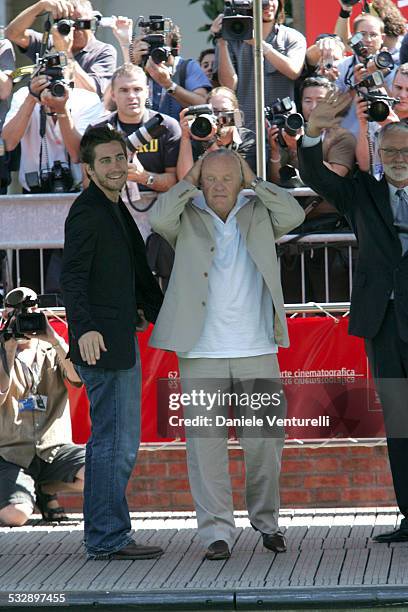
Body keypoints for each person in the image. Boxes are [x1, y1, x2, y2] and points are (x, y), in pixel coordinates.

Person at [149, 149, 305, 559]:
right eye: (211, 178)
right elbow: (157, 218)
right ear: (201, 179)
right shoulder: (186, 213)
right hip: (201, 351)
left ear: (240, 180)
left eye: (227, 178)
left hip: (256, 346)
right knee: (206, 447)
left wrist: (255, 181)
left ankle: (267, 522)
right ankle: (216, 532)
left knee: (265, 444)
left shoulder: (257, 211)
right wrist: (189, 179)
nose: (219, 186)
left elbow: (294, 215)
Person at [298, 93, 408, 544]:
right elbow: (315, 174)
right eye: (392, 151)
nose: (399, 158)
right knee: (401, 425)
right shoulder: (362, 191)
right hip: (383, 322)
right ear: (379, 154)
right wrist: (311, 132)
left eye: (406, 151)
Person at [60, 125, 164, 560]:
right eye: (105, 161)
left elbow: (128, 270)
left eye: (120, 158)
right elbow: (73, 277)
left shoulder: (114, 207)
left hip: (116, 336)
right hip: (99, 344)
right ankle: (107, 537)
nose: (116, 166)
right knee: (113, 443)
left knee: (118, 442)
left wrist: (144, 309)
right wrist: (84, 329)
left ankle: (109, 534)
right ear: (88, 169)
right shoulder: (87, 211)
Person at [1, 63, 103, 294]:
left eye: (60, 77)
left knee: (78, 280)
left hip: (78, 198)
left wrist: (62, 110)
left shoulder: (86, 100)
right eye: (47, 78)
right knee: (30, 285)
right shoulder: (23, 97)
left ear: (73, 79)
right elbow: (8, 143)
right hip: (34, 201)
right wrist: (31, 98)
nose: (54, 84)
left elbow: (79, 153)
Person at [0, 287, 85, 526]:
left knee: (101, 474)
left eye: (29, 311)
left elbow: (78, 379)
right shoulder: (1, 348)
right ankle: (24, 495)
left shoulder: (53, 348)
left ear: (38, 311)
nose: (23, 319)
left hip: (53, 449)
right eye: (16, 313)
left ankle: (43, 487)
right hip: (11, 453)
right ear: (6, 314)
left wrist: (55, 339)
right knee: (15, 516)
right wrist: (8, 349)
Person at [94, 63, 181, 242]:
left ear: (147, 91)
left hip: (160, 223)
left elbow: (176, 182)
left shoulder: (167, 126)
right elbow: (89, 185)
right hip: (114, 221)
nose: (132, 96)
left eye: (137, 89)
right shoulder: (98, 131)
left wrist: (144, 177)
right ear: (113, 94)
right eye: (124, 90)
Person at [211, 0, 306, 132]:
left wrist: (260, 44)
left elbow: (294, 71)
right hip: (244, 130)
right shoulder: (232, 38)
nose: (268, 4)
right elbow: (228, 86)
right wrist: (221, 40)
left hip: (282, 128)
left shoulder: (291, 37)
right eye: (262, 1)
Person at [5, 0, 117, 97]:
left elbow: (93, 91)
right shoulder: (49, 43)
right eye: (67, 23)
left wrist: (65, 53)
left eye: (80, 22)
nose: (73, 28)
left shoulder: (104, 51)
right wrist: (41, 6)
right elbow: (12, 33)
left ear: (92, 22)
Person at [130, 24, 212, 121]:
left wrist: (169, 85)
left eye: (161, 45)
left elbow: (203, 105)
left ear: (176, 49)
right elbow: (112, 103)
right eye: (152, 45)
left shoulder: (186, 67)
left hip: (179, 133)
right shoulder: (138, 68)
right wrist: (133, 63)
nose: (156, 50)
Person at [335, 13, 396, 137]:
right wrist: (357, 84)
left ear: (382, 38)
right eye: (362, 34)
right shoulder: (341, 67)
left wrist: (376, 76)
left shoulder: (394, 69)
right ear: (354, 37)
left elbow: (397, 106)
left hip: (385, 138)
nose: (368, 40)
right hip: (346, 139)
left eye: (373, 35)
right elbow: (333, 111)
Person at [177, 86, 257, 180]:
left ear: (236, 114)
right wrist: (185, 136)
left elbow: (233, 178)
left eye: (225, 111)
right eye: (214, 112)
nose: (219, 117)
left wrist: (210, 142)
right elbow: (185, 181)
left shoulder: (249, 139)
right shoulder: (197, 137)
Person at [355, 63, 408, 176]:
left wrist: (394, 127)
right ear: (392, 86)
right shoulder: (378, 113)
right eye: (398, 87)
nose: (402, 95)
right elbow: (365, 166)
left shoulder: (389, 119)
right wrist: (363, 124)